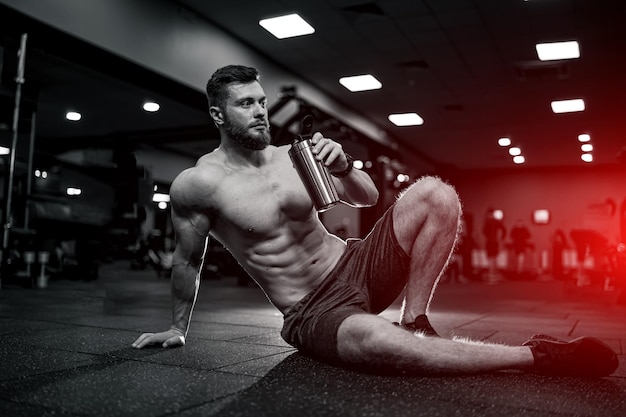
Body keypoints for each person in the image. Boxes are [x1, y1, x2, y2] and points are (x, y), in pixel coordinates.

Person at [132, 65, 618, 377]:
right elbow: (186, 260)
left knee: (435, 193)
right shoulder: (198, 185)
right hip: (312, 311)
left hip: (356, 263)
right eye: (246, 105)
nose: (260, 112)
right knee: (374, 341)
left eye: (261, 101)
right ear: (218, 115)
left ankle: (416, 319)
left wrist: (345, 166)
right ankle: (537, 355)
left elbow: (366, 199)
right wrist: (177, 327)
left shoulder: (293, 156)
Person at [482, 208, 506, 284]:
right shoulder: (496, 221)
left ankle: (492, 275)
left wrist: (500, 238)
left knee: (491, 258)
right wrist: (502, 238)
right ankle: (493, 275)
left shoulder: (487, 222)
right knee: (493, 258)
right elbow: (504, 230)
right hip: (494, 242)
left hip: (490, 242)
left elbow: (484, 232)